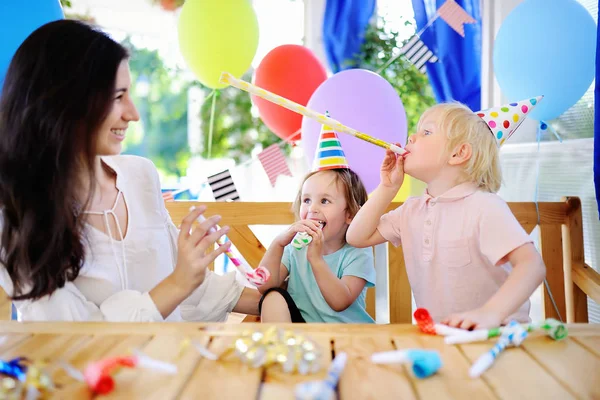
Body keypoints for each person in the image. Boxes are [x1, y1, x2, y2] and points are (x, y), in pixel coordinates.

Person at [0, 19, 260, 322]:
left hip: (175, 363)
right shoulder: (16, 218)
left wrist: (279, 302)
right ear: (66, 104)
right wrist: (177, 283)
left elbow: (190, 285)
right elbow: (78, 337)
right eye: (117, 97)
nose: (133, 114)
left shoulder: (140, 176)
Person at [347, 99, 546, 329]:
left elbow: (532, 266)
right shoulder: (411, 211)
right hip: (444, 339)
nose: (411, 137)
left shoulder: (485, 207)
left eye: (426, 132)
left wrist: (490, 314)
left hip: (499, 338)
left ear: (458, 153)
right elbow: (356, 237)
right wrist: (388, 188)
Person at [258, 125, 376, 323]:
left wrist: (316, 259)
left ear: (349, 214)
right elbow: (265, 285)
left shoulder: (357, 252)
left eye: (324, 201)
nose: (312, 209)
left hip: (349, 337)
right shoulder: (296, 247)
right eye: (306, 200)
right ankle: (279, 351)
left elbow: (340, 301)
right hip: (306, 338)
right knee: (272, 297)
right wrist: (278, 244)